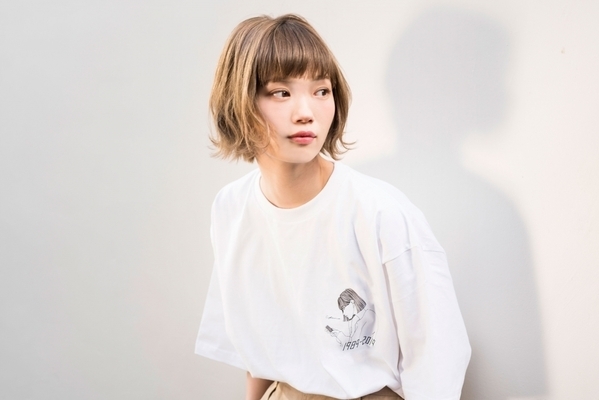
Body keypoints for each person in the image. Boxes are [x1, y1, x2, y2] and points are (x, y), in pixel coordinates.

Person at [195, 14, 471, 400]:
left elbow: (438, 359)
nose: (305, 112)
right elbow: (256, 345)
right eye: (281, 93)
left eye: (321, 91)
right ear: (238, 101)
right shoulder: (231, 209)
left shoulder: (381, 213)